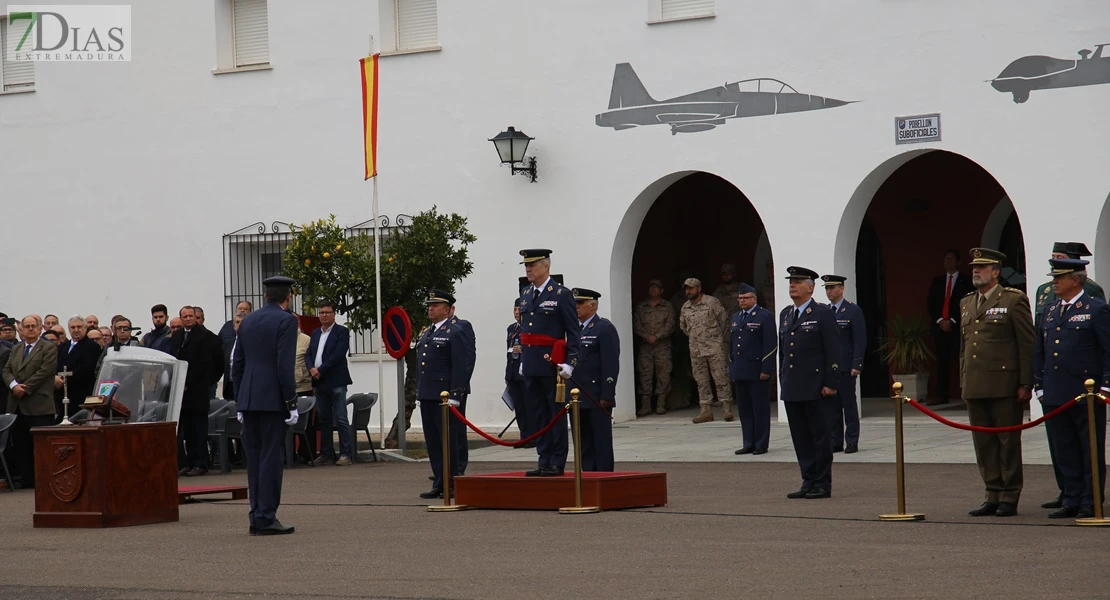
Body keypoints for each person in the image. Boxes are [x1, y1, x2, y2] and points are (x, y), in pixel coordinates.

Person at [960, 248, 1035, 518]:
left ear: (996, 272)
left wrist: (1026, 382)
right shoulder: (967, 302)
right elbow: (965, 347)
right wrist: (964, 380)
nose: (976, 272)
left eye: (982, 267)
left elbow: (1026, 344)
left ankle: (1009, 496)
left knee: (1007, 442)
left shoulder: (1013, 300)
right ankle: (991, 493)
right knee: (984, 444)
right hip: (976, 383)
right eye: (973, 268)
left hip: (1005, 384)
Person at [1032, 242, 1107, 509]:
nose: (1055, 282)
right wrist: (1039, 385)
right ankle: (1071, 497)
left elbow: (1106, 350)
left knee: (1088, 449)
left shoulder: (1095, 308)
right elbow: (1040, 349)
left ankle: (1090, 499)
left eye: (1060, 278)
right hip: (1056, 391)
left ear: (1076, 280)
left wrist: (1105, 388)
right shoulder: (1051, 310)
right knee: (1064, 449)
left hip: (1084, 392)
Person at [232, 275, 300, 536]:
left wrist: (240, 399)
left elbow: (236, 363)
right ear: (288, 297)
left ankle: (256, 515)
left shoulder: (247, 321)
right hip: (272, 399)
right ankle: (266, 516)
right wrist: (291, 401)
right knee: (271, 459)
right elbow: (284, 366)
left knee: (255, 459)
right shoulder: (286, 320)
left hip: (249, 398)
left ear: (265, 296)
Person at [779, 267, 840, 500]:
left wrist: (831, 382)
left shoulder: (822, 313)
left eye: (797, 281)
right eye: (791, 281)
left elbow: (834, 350)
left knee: (820, 436)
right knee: (801, 437)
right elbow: (783, 354)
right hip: (793, 386)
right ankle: (808, 479)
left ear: (810, 287)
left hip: (816, 387)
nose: (792, 285)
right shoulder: (786, 314)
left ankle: (822, 483)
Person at [518, 249, 580, 477]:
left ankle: (557, 461)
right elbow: (525, 330)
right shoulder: (526, 294)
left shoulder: (561, 294)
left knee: (555, 414)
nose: (528, 269)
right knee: (538, 414)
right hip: (532, 363)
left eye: (532, 265)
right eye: (526, 265)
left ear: (546, 267)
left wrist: (570, 362)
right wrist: (523, 358)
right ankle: (543, 459)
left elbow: (573, 332)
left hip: (553, 366)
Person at [416, 289, 474, 498]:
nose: (431, 308)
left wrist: (456, 393)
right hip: (428, 393)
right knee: (433, 441)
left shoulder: (456, 330)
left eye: (436, 305)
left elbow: (462, 364)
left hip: (445, 395)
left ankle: (453, 481)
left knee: (449, 440)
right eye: (429, 305)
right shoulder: (428, 332)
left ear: (448, 309)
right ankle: (439, 481)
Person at [2, 315, 58, 489]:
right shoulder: (17, 348)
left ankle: (44, 481)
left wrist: (25, 388)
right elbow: (7, 370)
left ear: (40, 328)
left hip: (39, 404)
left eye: (34, 326)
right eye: (27, 326)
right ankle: (27, 481)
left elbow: (45, 371)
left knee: (41, 447)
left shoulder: (48, 347)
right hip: (17, 404)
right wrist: (13, 386)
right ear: (22, 330)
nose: (31, 329)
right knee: (21, 445)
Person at [170, 306, 224, 477]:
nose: (188, 319)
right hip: (181, 391)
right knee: (187, 428)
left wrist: (196, 382)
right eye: (184, 316)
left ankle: (201, 462)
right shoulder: (178, 335)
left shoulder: (206, 337)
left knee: (199, 427)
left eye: (190, 316)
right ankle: (189, 462)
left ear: (196, 317)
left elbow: (209, 364)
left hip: (198, 389)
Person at [569, 288, 619, 471]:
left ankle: (604, 480)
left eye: (580, 304)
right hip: (576, 395)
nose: (576, 308)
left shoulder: (603, 328)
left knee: (601, 442)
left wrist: (608, 394)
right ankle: (587, 479)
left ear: (593, 306)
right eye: (574, 304)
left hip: (596, 395)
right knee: (583, 442)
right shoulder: (573, 329)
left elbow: (611, 363)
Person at [821, 274, 866, 454]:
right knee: (831, 406)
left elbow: (859, 340)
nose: (829, 291)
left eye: (832, 288)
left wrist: (857, 364)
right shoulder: (824, 311)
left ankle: (852, 440)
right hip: (829, 367)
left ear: (841, 289)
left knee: (848, 405)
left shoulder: (852, 311)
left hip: (846, 366)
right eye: (826, 288)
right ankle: (836, 440)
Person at [729, 283, 776, 455]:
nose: (742, 300)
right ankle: (748, 442)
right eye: (740, 298)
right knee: (745, 410)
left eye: (746, 298)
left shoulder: (764, 316)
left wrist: (766, 369)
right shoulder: (735, 317)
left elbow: (770, 345)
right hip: (741, 370)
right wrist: (732, 366)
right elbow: (732, 345)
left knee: (760, 409)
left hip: (757, 370)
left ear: (754, 299)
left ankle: (761, 443)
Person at [306, 301, 354, 466]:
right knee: (324, 419)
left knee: (340, 418)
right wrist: (311, 368)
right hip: (319, 382)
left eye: (327, 312)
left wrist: (321, 369)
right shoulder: (315, 333)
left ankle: (345, 454)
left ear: (333, 314)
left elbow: (338, 355)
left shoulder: (341, 332)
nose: (324, 315)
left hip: (336, 381)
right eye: (321, 313)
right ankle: (326, 453)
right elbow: (309, 354)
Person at [679, 277, 733, 423]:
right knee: (701, 380)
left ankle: (727, 408)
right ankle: (706, 411)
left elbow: (724, 321)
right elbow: (684, 327)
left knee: (721, 377)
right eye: (686, 289)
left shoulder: (712, 302)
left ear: (699, 288)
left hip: (715, 348)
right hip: (696, 350)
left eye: (691, 288)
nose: (688, 291)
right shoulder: (685, 307)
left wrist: (715, 339)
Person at [926, 250, 974, 405]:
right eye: (945, 258)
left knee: (962, 360)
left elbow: (967, 302)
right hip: (940, 327)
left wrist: (952, 320)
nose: (947, 261)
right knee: (942, 361)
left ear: (958, 262)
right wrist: (940, 320)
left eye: (951, 259)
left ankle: (966, 393)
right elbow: (931, 303)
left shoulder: (965, 281)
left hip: (958, 326)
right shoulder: (938, 281)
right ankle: (941, 394)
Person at [633, 278, 675, 416]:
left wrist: (657, 336)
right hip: (646, 347)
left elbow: (670, 325)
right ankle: (646, 406)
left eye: (656, 287)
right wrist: (646, 336)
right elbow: (636, 324)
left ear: (661, 291)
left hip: (662, 346)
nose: (653, 290)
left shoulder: (667, 306)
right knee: (645, 374)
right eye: (651, 287)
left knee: (663, 374)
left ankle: (661, 404)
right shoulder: (641, 306)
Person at [505, 298, 531, 444]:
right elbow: (508, 353)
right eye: (515, 309)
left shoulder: (529, 327)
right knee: (519, 408)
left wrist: (523, 349)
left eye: (519, 309)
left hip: (525, 373)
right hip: (513, 372)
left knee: (529, 407)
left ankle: (532, 437)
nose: (517, 312)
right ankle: (523, 436)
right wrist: (507, 374)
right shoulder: (511, 328)